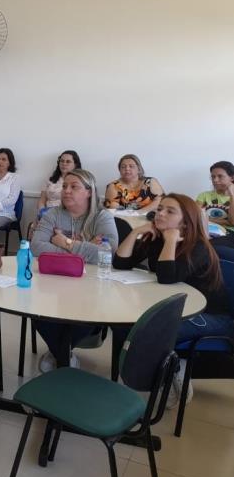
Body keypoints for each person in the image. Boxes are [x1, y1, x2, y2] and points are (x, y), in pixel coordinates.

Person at [114, 193, 232, 407]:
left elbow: (167, 278)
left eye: (170, 211)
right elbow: (120, 263)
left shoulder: (199, 247)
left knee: (155, 330)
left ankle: (174, 370)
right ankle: (156, 371)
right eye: (160, 209)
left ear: (186, 222)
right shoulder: (155, 238)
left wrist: (170, 240)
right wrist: (135, 233)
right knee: (126, 325)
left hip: (211, 316)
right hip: (177, 308)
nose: (160, 214)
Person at [31, 169, 119, 372]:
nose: (67, 191)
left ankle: (59, 353)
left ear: (89, 192)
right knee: (37, 310)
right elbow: (37, 247)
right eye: (64, 186)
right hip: (53, 281)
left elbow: (107, 254)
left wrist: (65, 242)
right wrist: (85, 247)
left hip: (91, 285)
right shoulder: (53, 214)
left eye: (74, 187)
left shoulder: (102, 217)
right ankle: (64, 355)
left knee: (86, 313)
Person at [197, 161, 234, 260]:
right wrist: (225, 221)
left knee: (205, 247)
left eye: (220, 176)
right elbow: (195, 216)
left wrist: (232, 196)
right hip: (206, 231)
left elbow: (232, 222)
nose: (215, 180)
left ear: (232, 178)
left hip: (230, 234)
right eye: (213, 177)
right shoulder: (204, 195)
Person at [36, 150, 82, 218]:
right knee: (33, 226)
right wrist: (42, 212)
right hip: (48, 213)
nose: (64, 164)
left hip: (67, 215)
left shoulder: (80, 181)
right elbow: (42, 200)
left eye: (68, 161)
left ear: (75, 164)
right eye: (62, 161)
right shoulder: (50, 179)